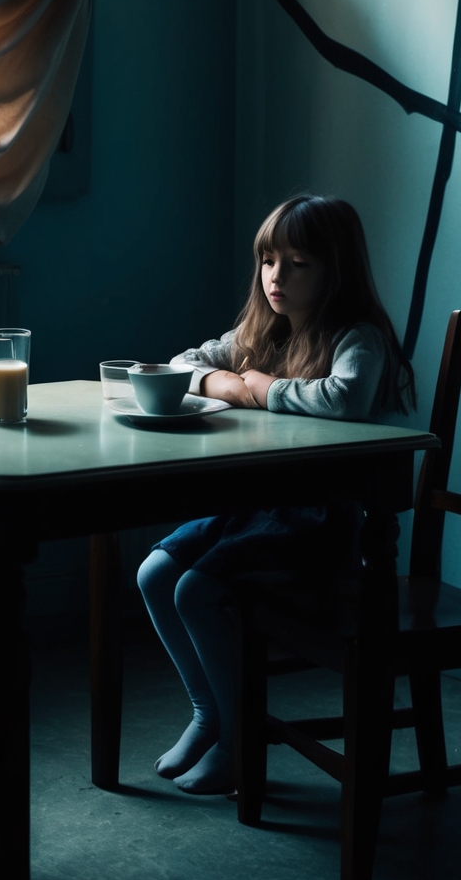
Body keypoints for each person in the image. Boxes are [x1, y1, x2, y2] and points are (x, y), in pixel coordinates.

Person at [137, 194, 415, 794]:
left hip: (324, 525)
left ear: (335, 270)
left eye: (297, 263)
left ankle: (238, 742)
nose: (275, 277)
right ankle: (209, 714)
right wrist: (219, 379)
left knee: (195, 590)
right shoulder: (263, 329)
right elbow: (184, 361)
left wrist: (261, 388)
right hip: (258, 510)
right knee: (154, 573)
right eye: (268, 260)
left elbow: (344, 399)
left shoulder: (357, 337)